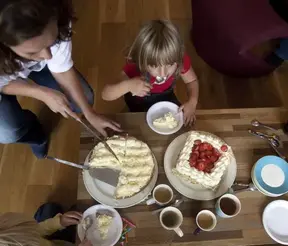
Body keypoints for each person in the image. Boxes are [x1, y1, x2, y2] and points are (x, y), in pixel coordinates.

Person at [0, 0, 121, 158]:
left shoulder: (53, 15)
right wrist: (41, 93)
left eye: (52, 42)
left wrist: (90, 113)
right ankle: (37, 136)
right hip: (4, 73)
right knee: (8, 133)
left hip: (18, 67)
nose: (47, 56)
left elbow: (61, 69)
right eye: (32, 52)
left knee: (85, 98)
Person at [102, 20, 199, 126]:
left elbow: (192, 81)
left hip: (167, 99)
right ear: (142, 59)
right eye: (154, 66)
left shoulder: (179, 58)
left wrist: (192, 101)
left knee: (184, 127)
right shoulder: (134, 66)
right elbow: (106, 94)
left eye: (170, 64)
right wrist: (128, 85)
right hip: (138, 105)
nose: (163, 73)